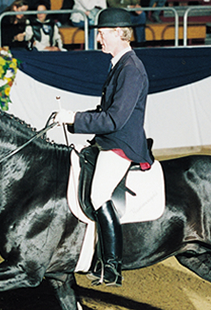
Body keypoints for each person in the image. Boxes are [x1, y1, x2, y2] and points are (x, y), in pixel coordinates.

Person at [55, 8, 153, 287]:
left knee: (98, 195)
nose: (98, 38)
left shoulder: (131, 68)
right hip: (108, 141)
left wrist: (73, 118)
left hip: (122, 145)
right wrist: (73, 120)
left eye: (101, 33)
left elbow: (115, 118)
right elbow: (104, 111)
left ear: (120, 34)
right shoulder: (118, 64)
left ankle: (112, 266)